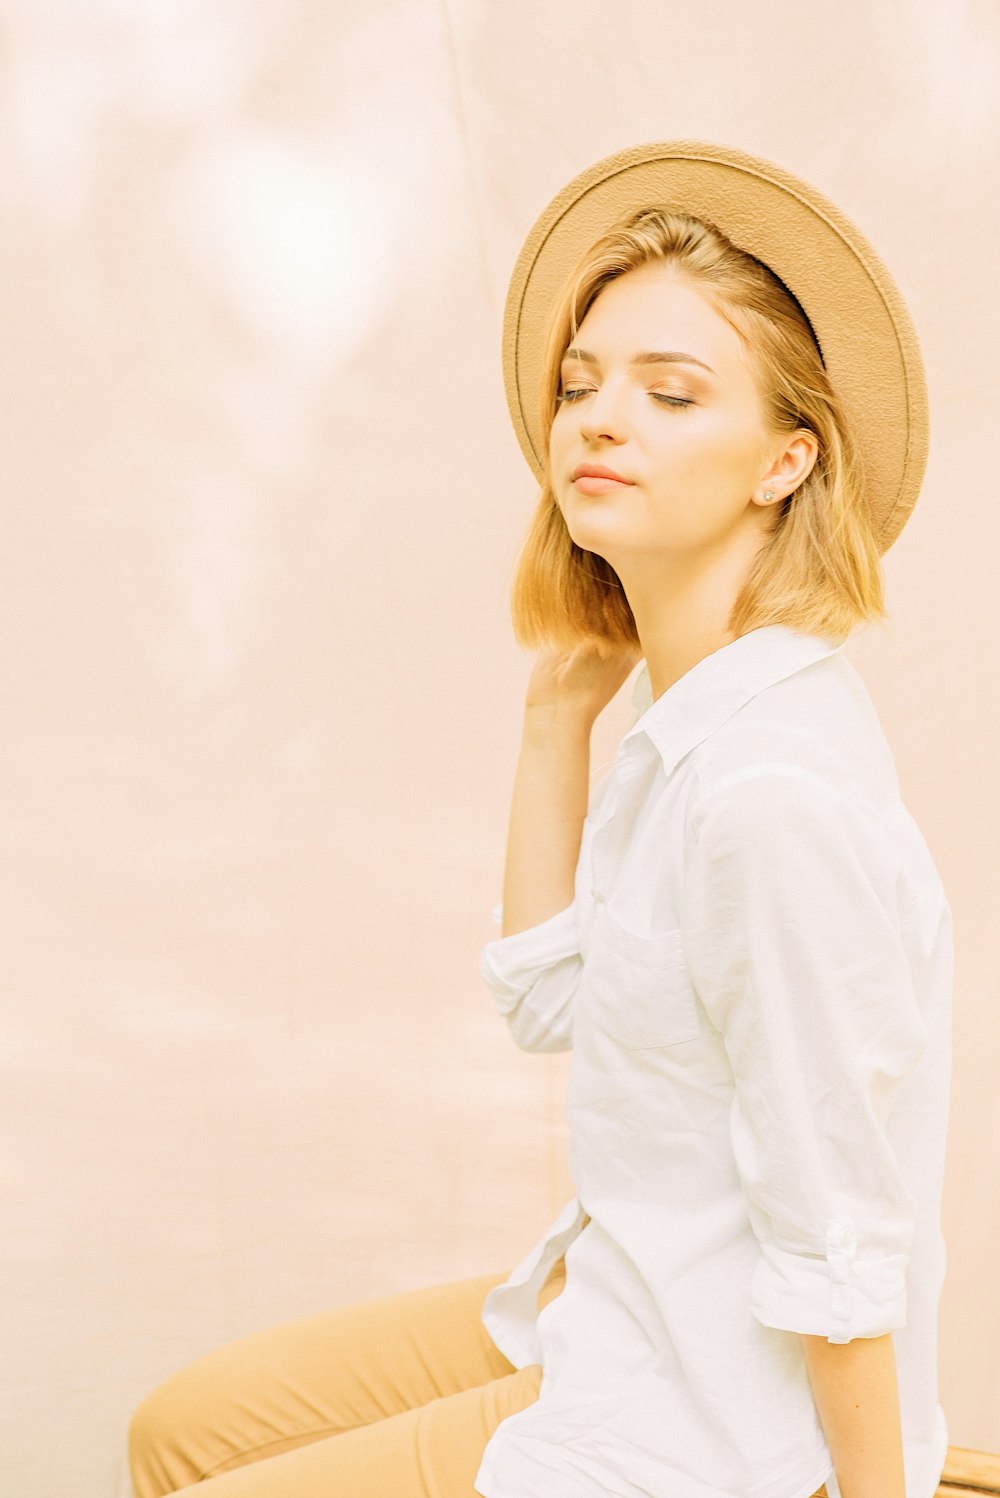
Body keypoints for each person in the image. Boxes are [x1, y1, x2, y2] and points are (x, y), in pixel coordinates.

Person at [126, 140, 951, 1498]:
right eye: (582, 385)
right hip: (605, 1311)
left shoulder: (764, 792)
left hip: (688, 1432)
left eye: (671, 391)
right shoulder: (695, 731)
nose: (597, 418)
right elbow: (551, 1000)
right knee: (180, 1431)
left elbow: (843, 1242)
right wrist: (558, 716)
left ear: (786, 459)